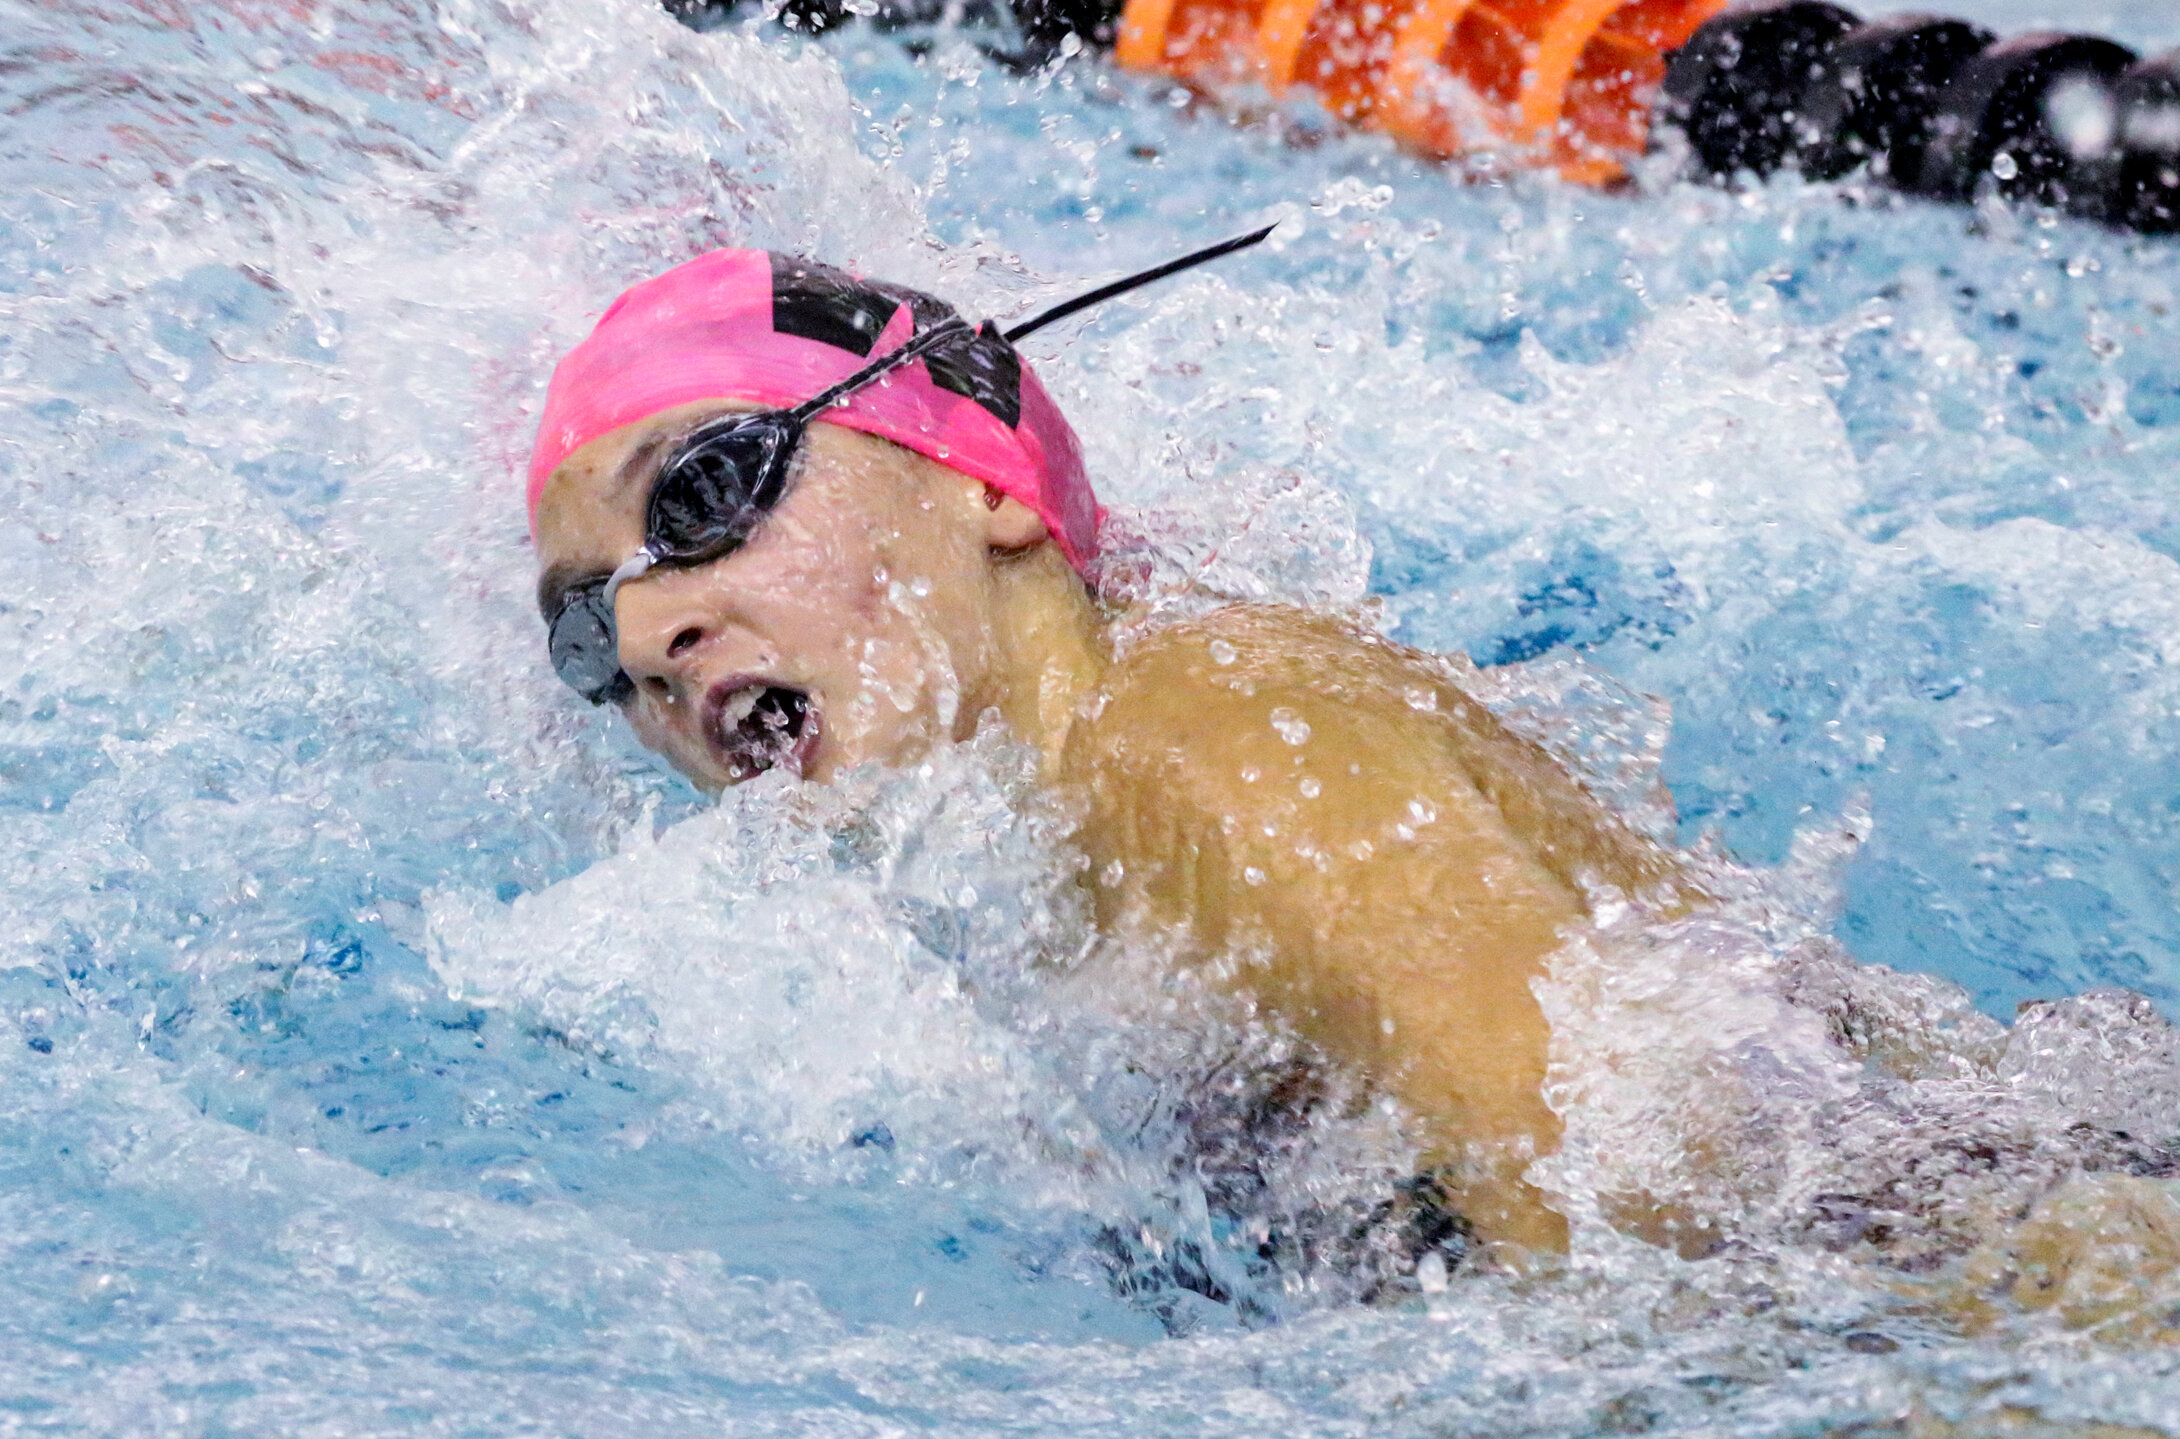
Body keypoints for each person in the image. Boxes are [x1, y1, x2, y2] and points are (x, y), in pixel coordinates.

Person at [521, 244, 1714, 1266]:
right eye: (582, 622)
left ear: (983, 479)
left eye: (704, 493)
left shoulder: (1214, 734)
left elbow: (1631, 1196)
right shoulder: (1031, 882)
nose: (644, 640)